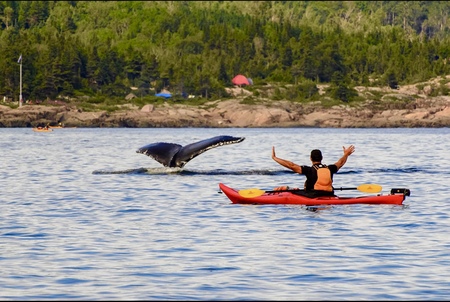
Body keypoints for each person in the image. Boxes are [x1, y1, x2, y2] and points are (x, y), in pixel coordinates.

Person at [271, 145, 356, 197]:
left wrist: (275, 158)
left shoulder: (309, 170)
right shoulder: (330, 168)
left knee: (285, 188)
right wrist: (346, 154)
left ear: (310, 158)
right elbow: (340, 163)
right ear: (322, 158)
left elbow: (291, 165)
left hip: (312, 195)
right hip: (329, 194)